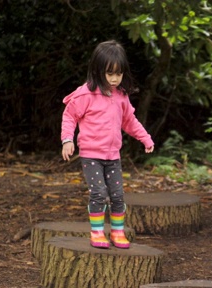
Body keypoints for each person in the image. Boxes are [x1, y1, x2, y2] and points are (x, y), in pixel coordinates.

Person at [61, 40, 154, 249]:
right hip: (91, 155)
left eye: (118, 74)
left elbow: (129, 120)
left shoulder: (121, 95)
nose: (114, 78)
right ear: (97, 70)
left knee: (118, 195)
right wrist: (67, 140)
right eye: (109, 73)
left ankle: (118, 232)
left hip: (113, 156)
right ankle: (96, 232)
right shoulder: (86, 94)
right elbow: (69, 117)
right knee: (99, 193)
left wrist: (145, 138)